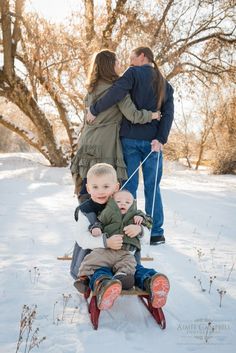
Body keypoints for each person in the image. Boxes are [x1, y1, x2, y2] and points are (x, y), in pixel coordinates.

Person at [87, 47, 174, 244]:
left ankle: (124, 229)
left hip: (130, 140)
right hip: (154, 143)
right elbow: (168, 115)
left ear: (142, 56)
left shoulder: (132, 73)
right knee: (153, 187)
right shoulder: (165, 84)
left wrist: (94, 108)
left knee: (128, 187)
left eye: (132, 57)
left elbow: (116, 93)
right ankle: (156, 232)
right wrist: (160, 139)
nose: (129, 61)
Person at [72, 163, 170, 311]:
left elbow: (145, 237)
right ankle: (105, 286)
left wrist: (139, 229)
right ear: (88, 188)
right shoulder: (85, 211)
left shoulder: (125, 203)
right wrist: (106, 242)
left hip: (125, 257)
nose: (100, 192)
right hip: (96, 260)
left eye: (106, 186)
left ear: (116, 187)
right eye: (95, 187)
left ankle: (152, 282)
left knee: (135, 270)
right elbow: (82, 238)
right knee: (100, 273)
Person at [70, 49, 161, 202]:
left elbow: (89, 115)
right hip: (106, 142)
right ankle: (104, 223)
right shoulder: (119, 89)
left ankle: (90, 221)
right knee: (106, 186)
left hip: (87, 140)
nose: (120, 64)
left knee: (90, 185)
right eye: (117, 62)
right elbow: (133, 115)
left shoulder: (91, 88)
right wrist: (153, 115)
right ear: (109, 65)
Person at [77, 189, 152, 292]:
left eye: (127, 202)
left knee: (129, 263)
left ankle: (122, 277)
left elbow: (149, 221)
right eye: (118, 201)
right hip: (106, 250)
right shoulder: (108, 212)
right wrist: (95, 228)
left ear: (133, 203)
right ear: (112, 202)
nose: (123, 204)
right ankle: (84, 278)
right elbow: (99, 222)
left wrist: (141, 219)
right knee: (92, 258)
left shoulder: (136, 215)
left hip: (125, 252)